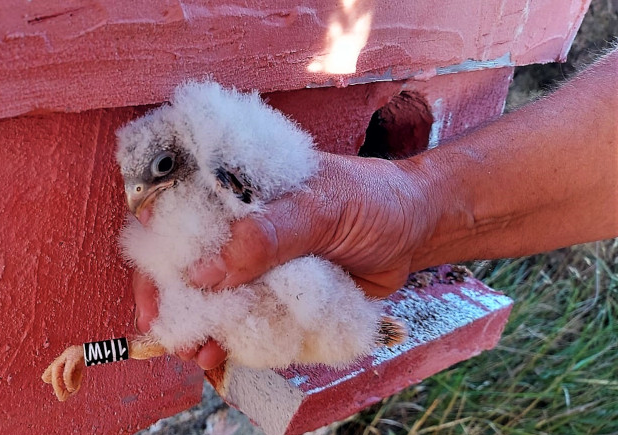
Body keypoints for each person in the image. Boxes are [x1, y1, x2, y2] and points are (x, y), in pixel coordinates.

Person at [134, 47, 618, 370]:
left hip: (321, 293)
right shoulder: (182, 223)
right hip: (324, 295)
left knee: (287, 288)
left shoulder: (234, 180)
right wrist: (86, 354)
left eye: (157, 172)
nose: (140, 205)